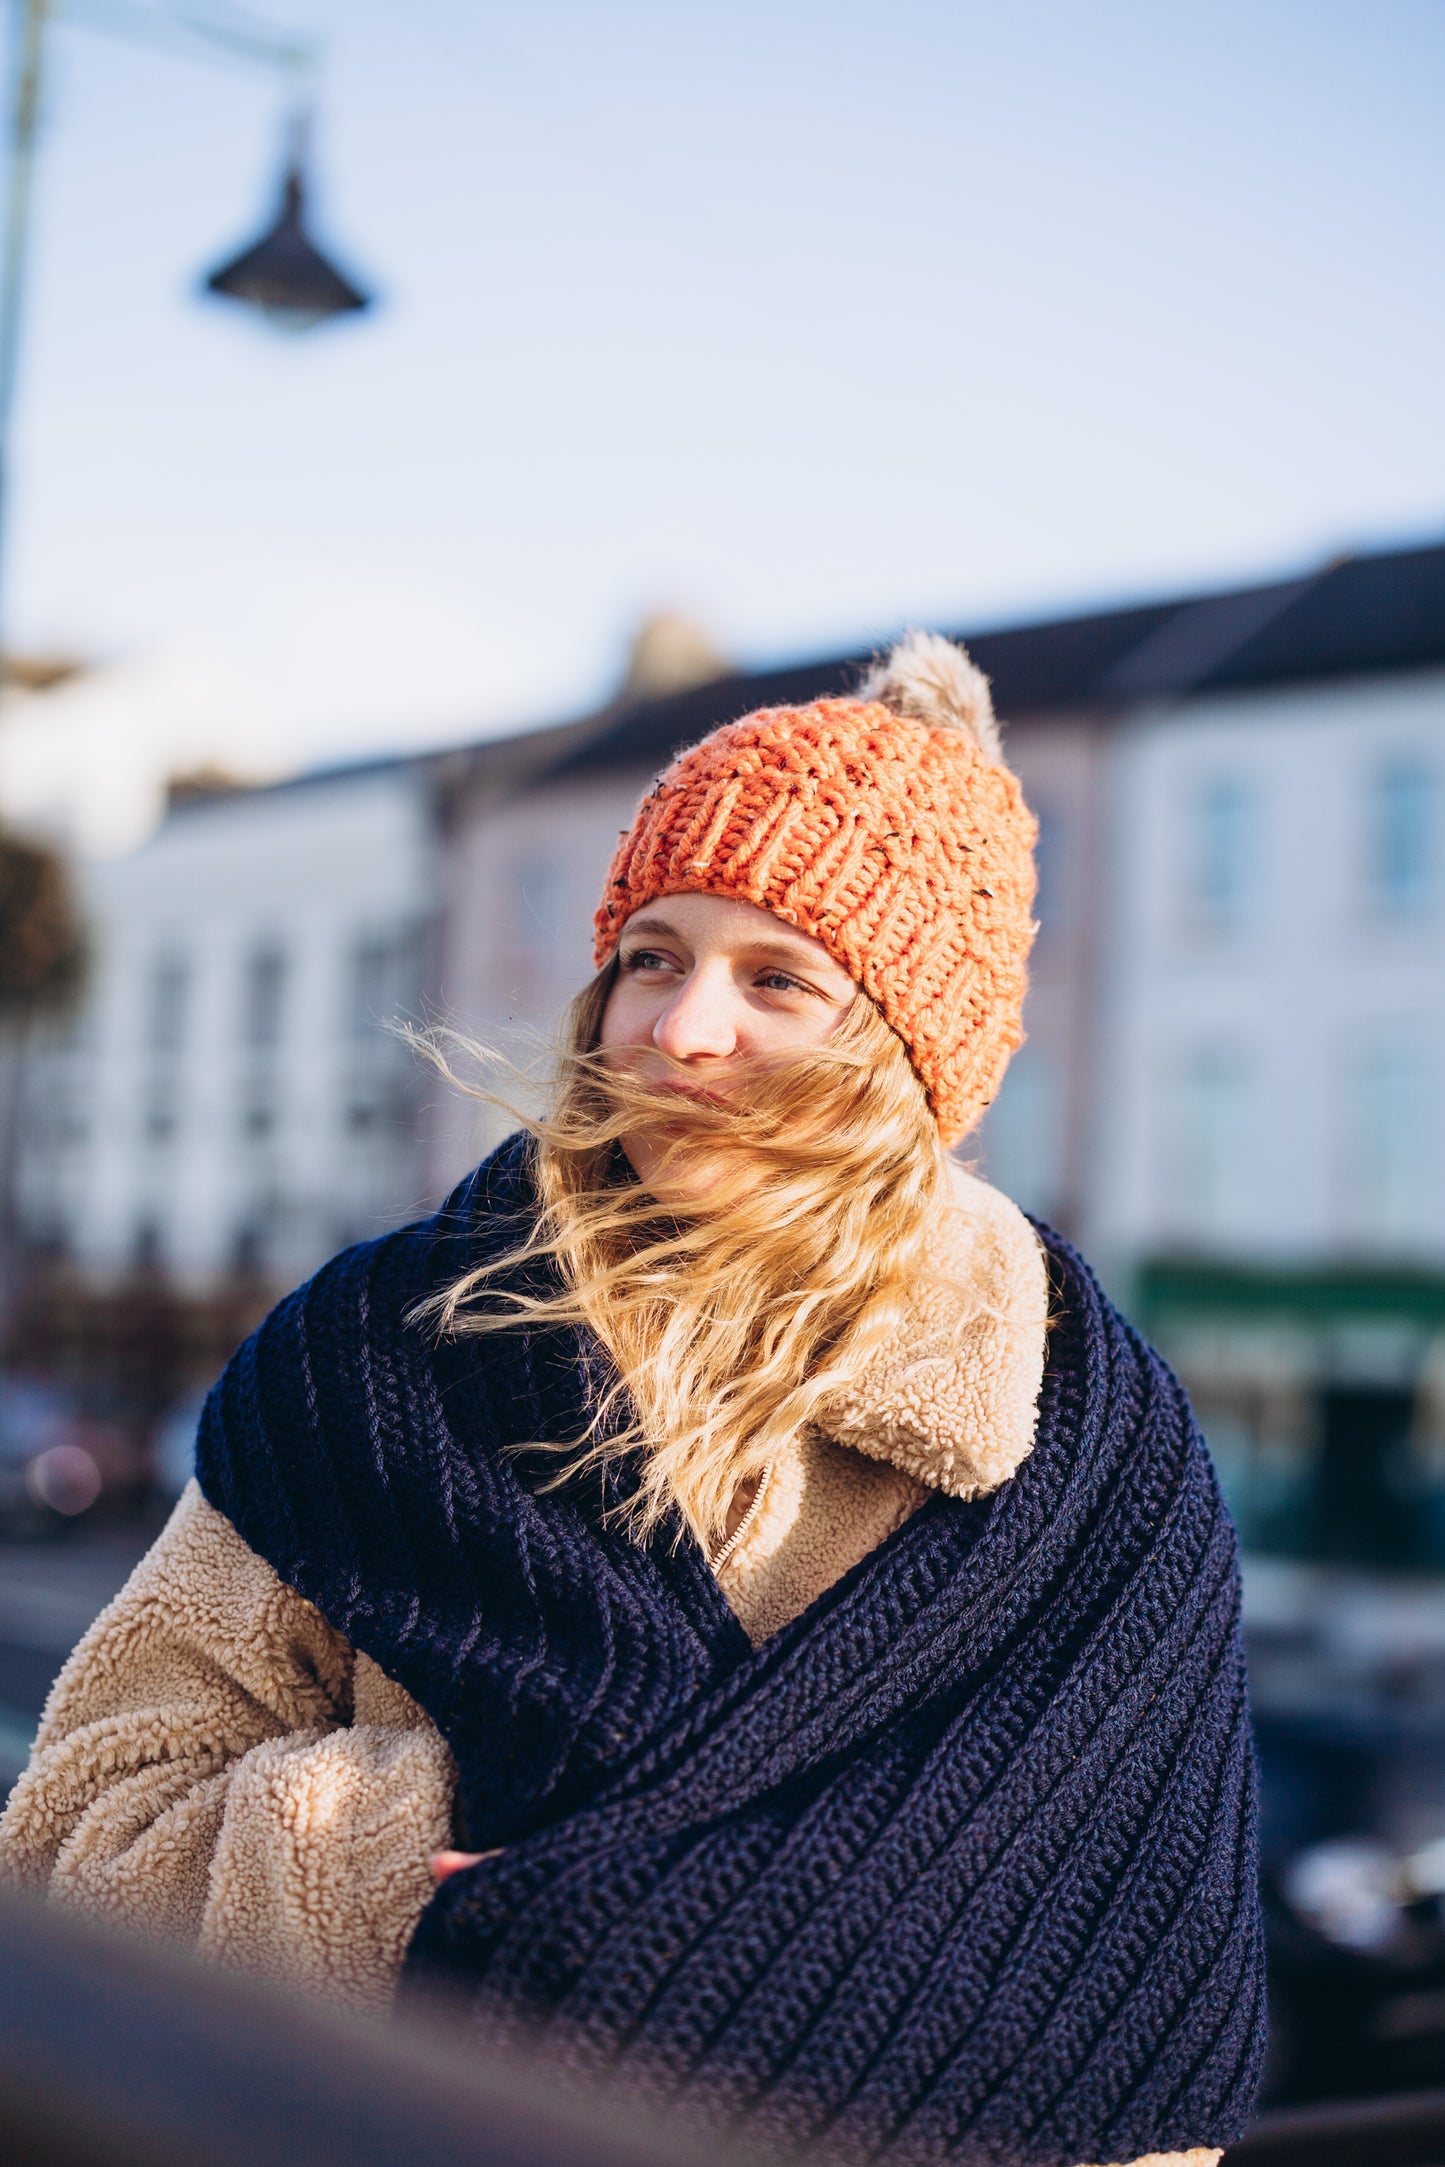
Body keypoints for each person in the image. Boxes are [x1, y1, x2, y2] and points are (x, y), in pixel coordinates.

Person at [0, 635, 1263, 2167]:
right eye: (651, 957)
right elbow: (76, 1838)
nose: (678, 1030)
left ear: (906, 1054)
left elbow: (1129, 2036)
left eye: (774, 979)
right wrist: (408, 1887)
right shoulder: (385, 1355)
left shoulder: (1092, 1462)